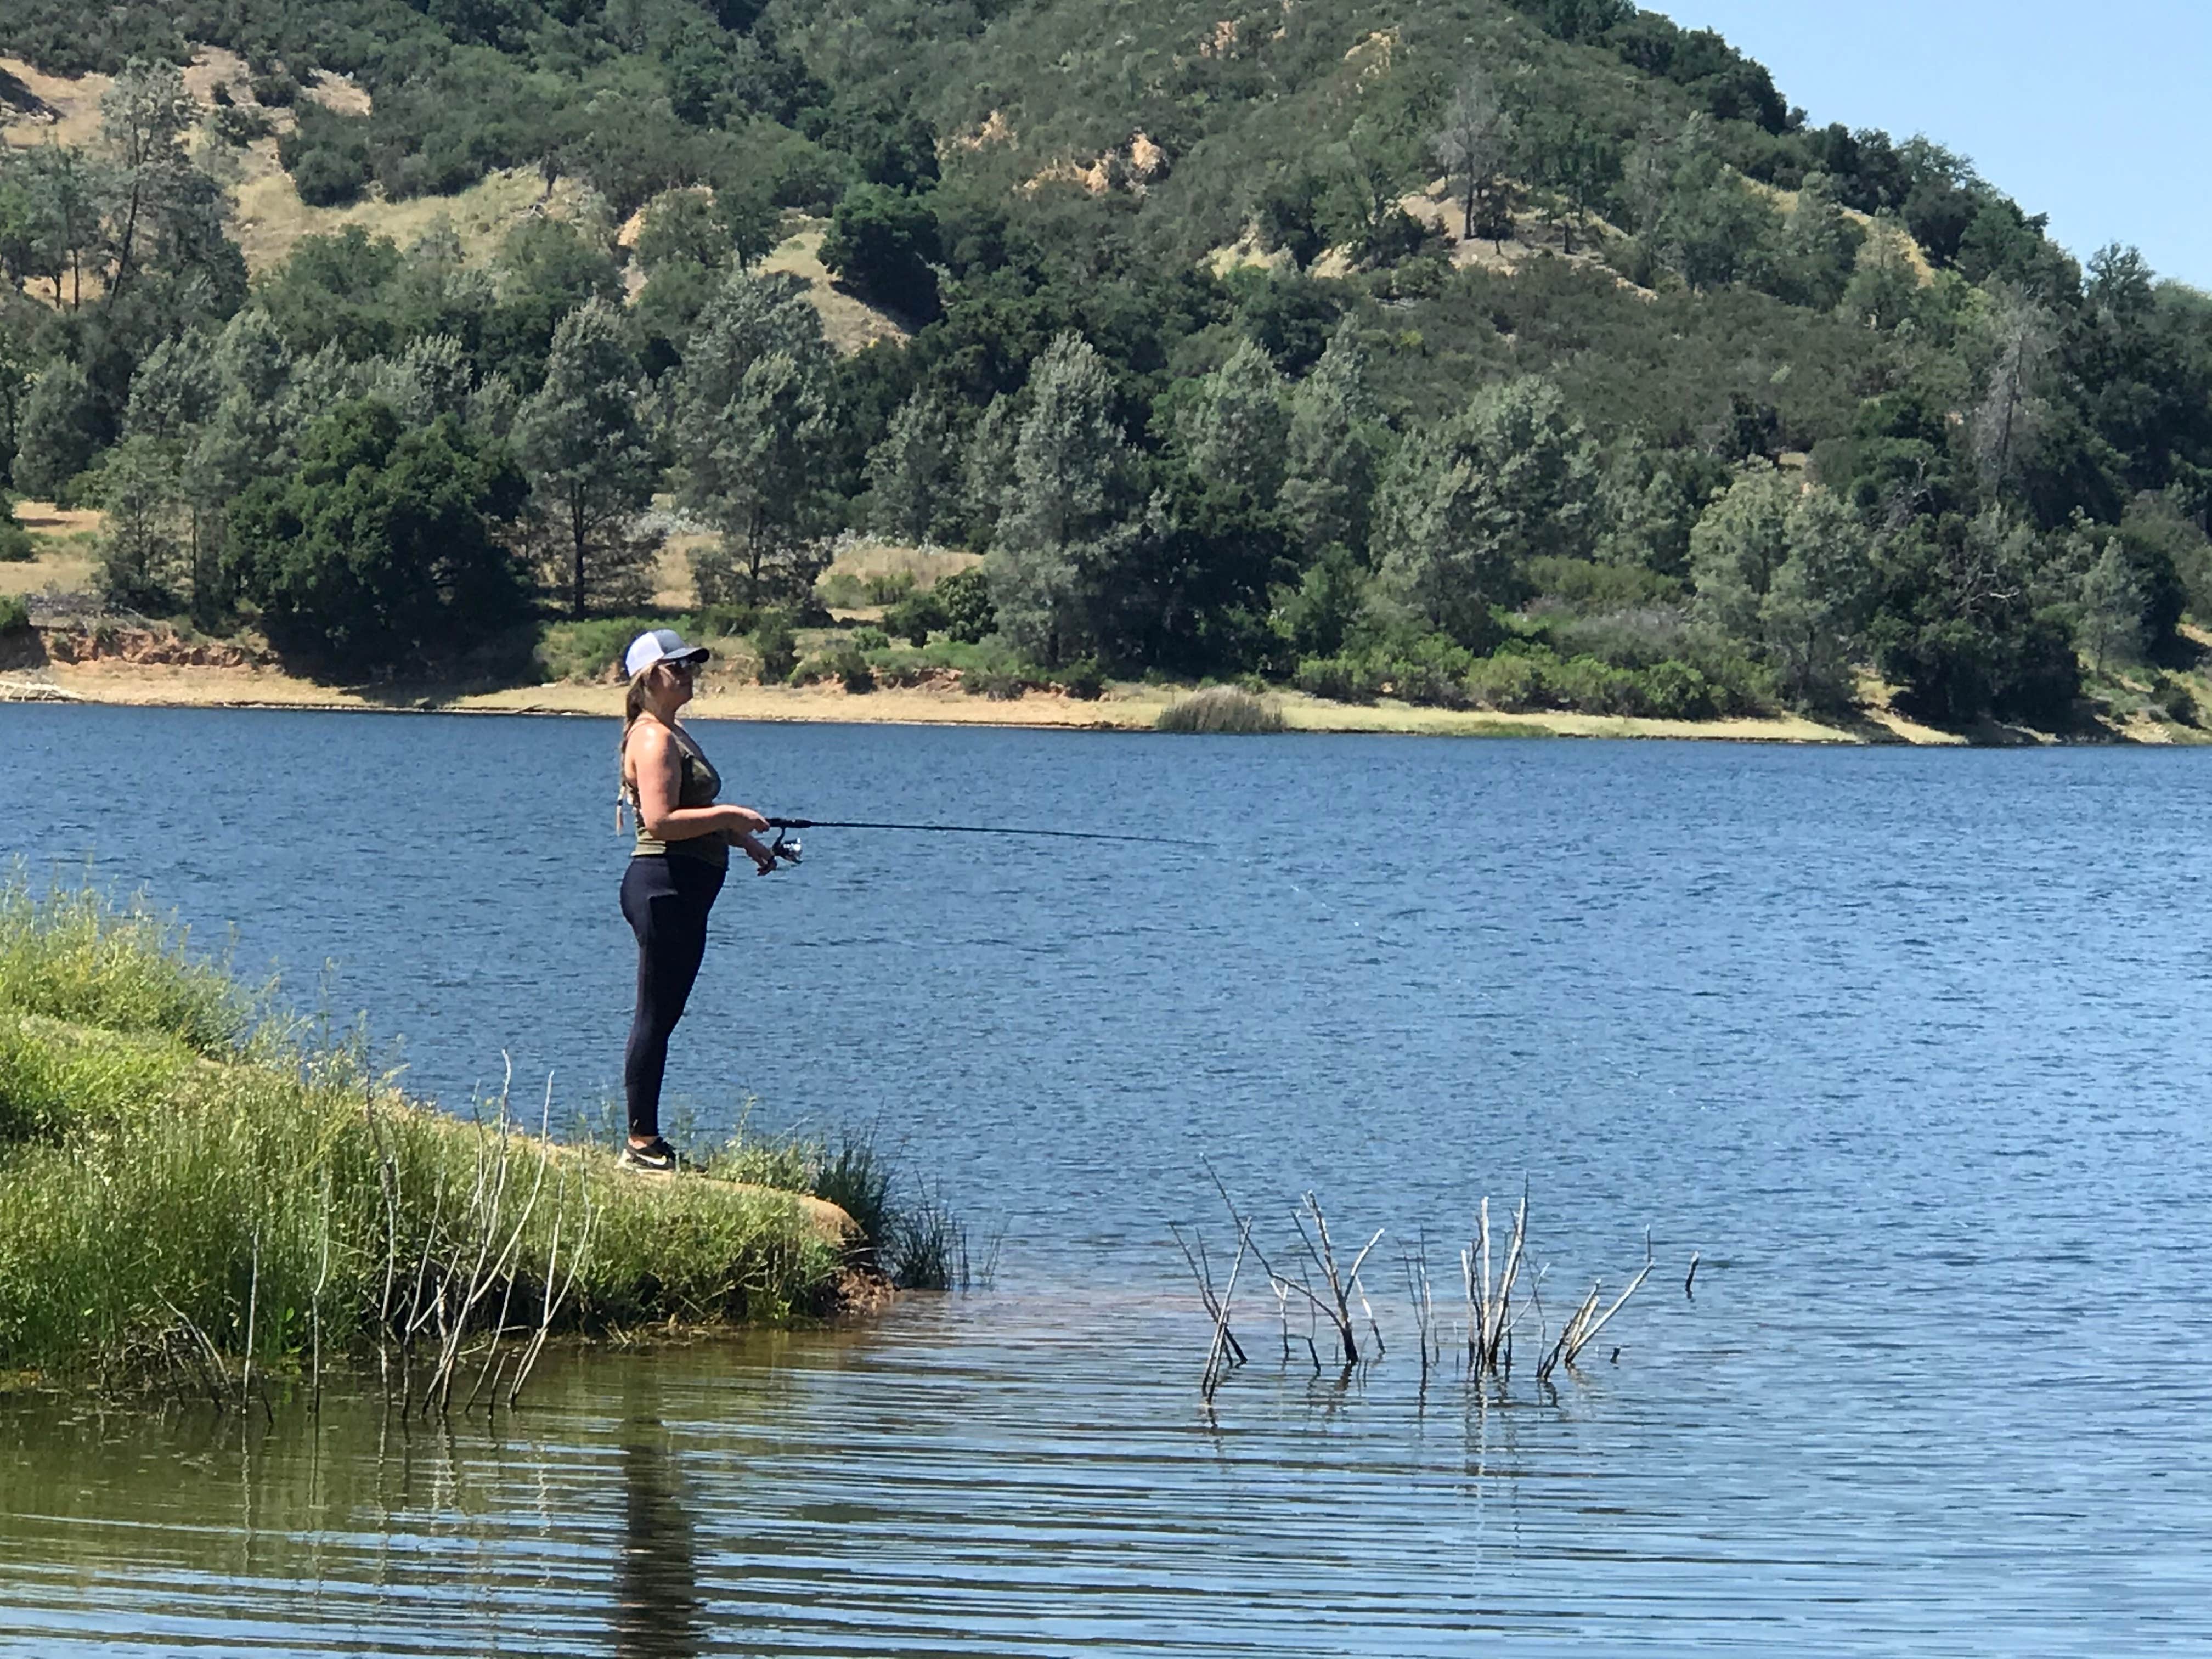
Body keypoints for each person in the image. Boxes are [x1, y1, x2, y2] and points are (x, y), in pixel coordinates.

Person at [616, 628, 776, 1172]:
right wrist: (730, 815)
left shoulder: (673, 732)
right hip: (663, 885)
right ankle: (641, 1143)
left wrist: (743, 840)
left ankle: (646, 1139)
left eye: (692, 665)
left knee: (665, 1014)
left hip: (684, 888)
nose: (689, 674)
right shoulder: (653, 739)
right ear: (647, 679)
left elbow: (689, 813)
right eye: (677, 666)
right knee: (654, 1015)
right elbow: (662, 821)